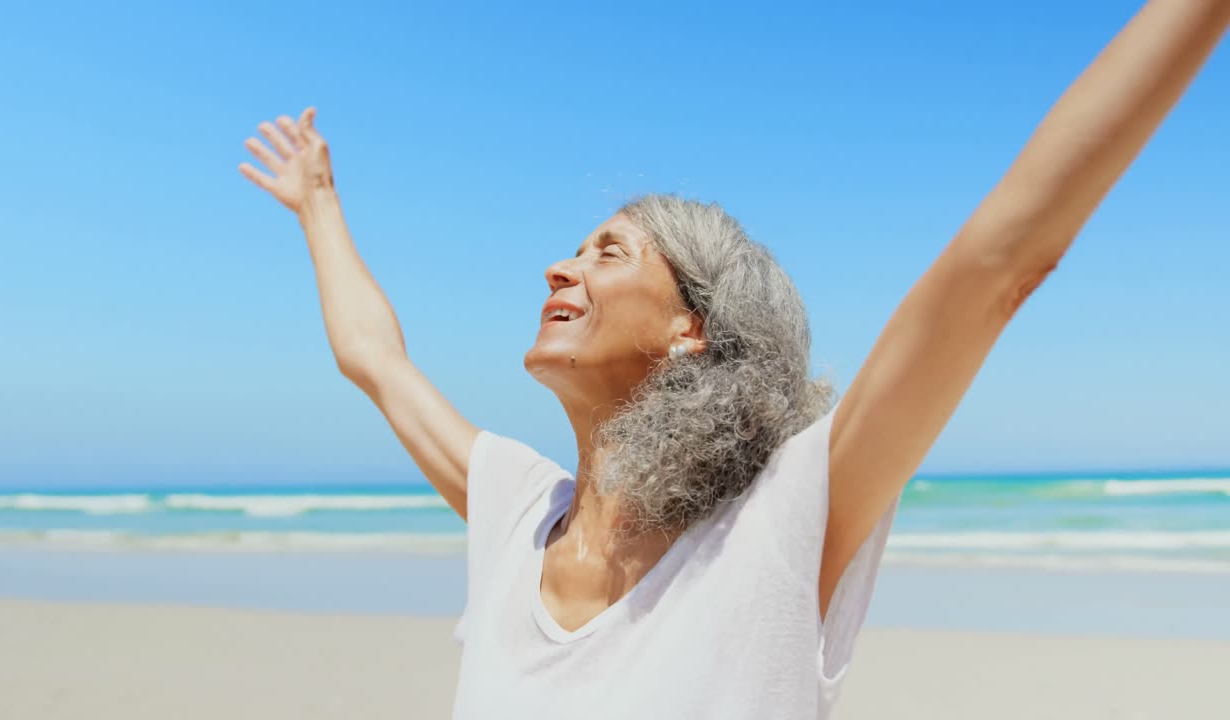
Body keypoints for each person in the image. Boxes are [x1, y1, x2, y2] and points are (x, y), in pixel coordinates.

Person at [238, 3, 1229, 717]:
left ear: (688, 332)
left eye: (607, 253)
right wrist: (319, 206)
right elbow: (374, 360)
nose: (560, 265)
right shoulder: (514, 513)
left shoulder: (784, 522)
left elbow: (997, 264)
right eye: (575, 247)